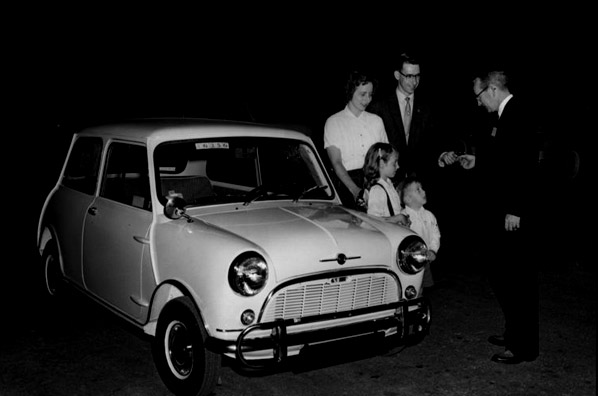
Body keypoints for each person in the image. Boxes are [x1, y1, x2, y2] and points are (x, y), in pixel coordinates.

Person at [450, 69, 539, 364]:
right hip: (503, 210)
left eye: (478, 96)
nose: (478, 103)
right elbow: (505, 158)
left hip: (513, 213)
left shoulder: (518, 113)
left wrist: (515, 208)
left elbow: (525, 166)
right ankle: (514, 332)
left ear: (491, 89)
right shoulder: (504, 115)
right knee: (504, 274)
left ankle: (523, 346)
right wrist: (478, 161)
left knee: (516, 279)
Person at [368, 52, 441, 189]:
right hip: (389, 182)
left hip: (420, 183)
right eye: (409, 76)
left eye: (417, 76)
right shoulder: (379, 107)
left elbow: (432, 143)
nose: (414, 82)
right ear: (397, 75)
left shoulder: (427, 107)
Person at [324, 70, 389, 209]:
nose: (367, 100)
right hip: (346, 187)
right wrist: (356, 191)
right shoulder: (334, 122)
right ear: (350, 91)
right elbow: (336, 163)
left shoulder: (377, 121)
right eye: (362, 94)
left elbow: (385, 159)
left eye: (370, 95)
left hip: (375, 185)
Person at [398, 176, 440, 288]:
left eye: (422, 188)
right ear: (408, 199)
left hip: (425, 261)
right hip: (409, 263)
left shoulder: (429, 215)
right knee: (411, 287)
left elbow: (436, 234)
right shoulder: (403, 217)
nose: (424, 191)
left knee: (425, 287)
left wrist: (433, 250)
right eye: (418, 190)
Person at [362, 142, 410, 226]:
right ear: (381, 164)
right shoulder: (377, 190)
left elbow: (395, 207)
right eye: (394, 163)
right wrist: (398, 218)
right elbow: (373, 220)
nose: (398, 166)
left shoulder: (388, 183)